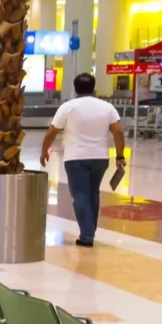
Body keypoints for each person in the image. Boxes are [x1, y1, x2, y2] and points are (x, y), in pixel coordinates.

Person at [40, 73, 126, 248]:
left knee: (80, 195)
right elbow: (118, 132)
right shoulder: (107, 107)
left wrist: (44, 151)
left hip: (76, 158)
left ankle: (87, 235)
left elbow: (52, 132)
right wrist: (120, 155)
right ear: (93, 88)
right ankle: (90, 231)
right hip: (100, 158)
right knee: (93, 193)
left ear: (75, 87)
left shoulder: (68, 107)